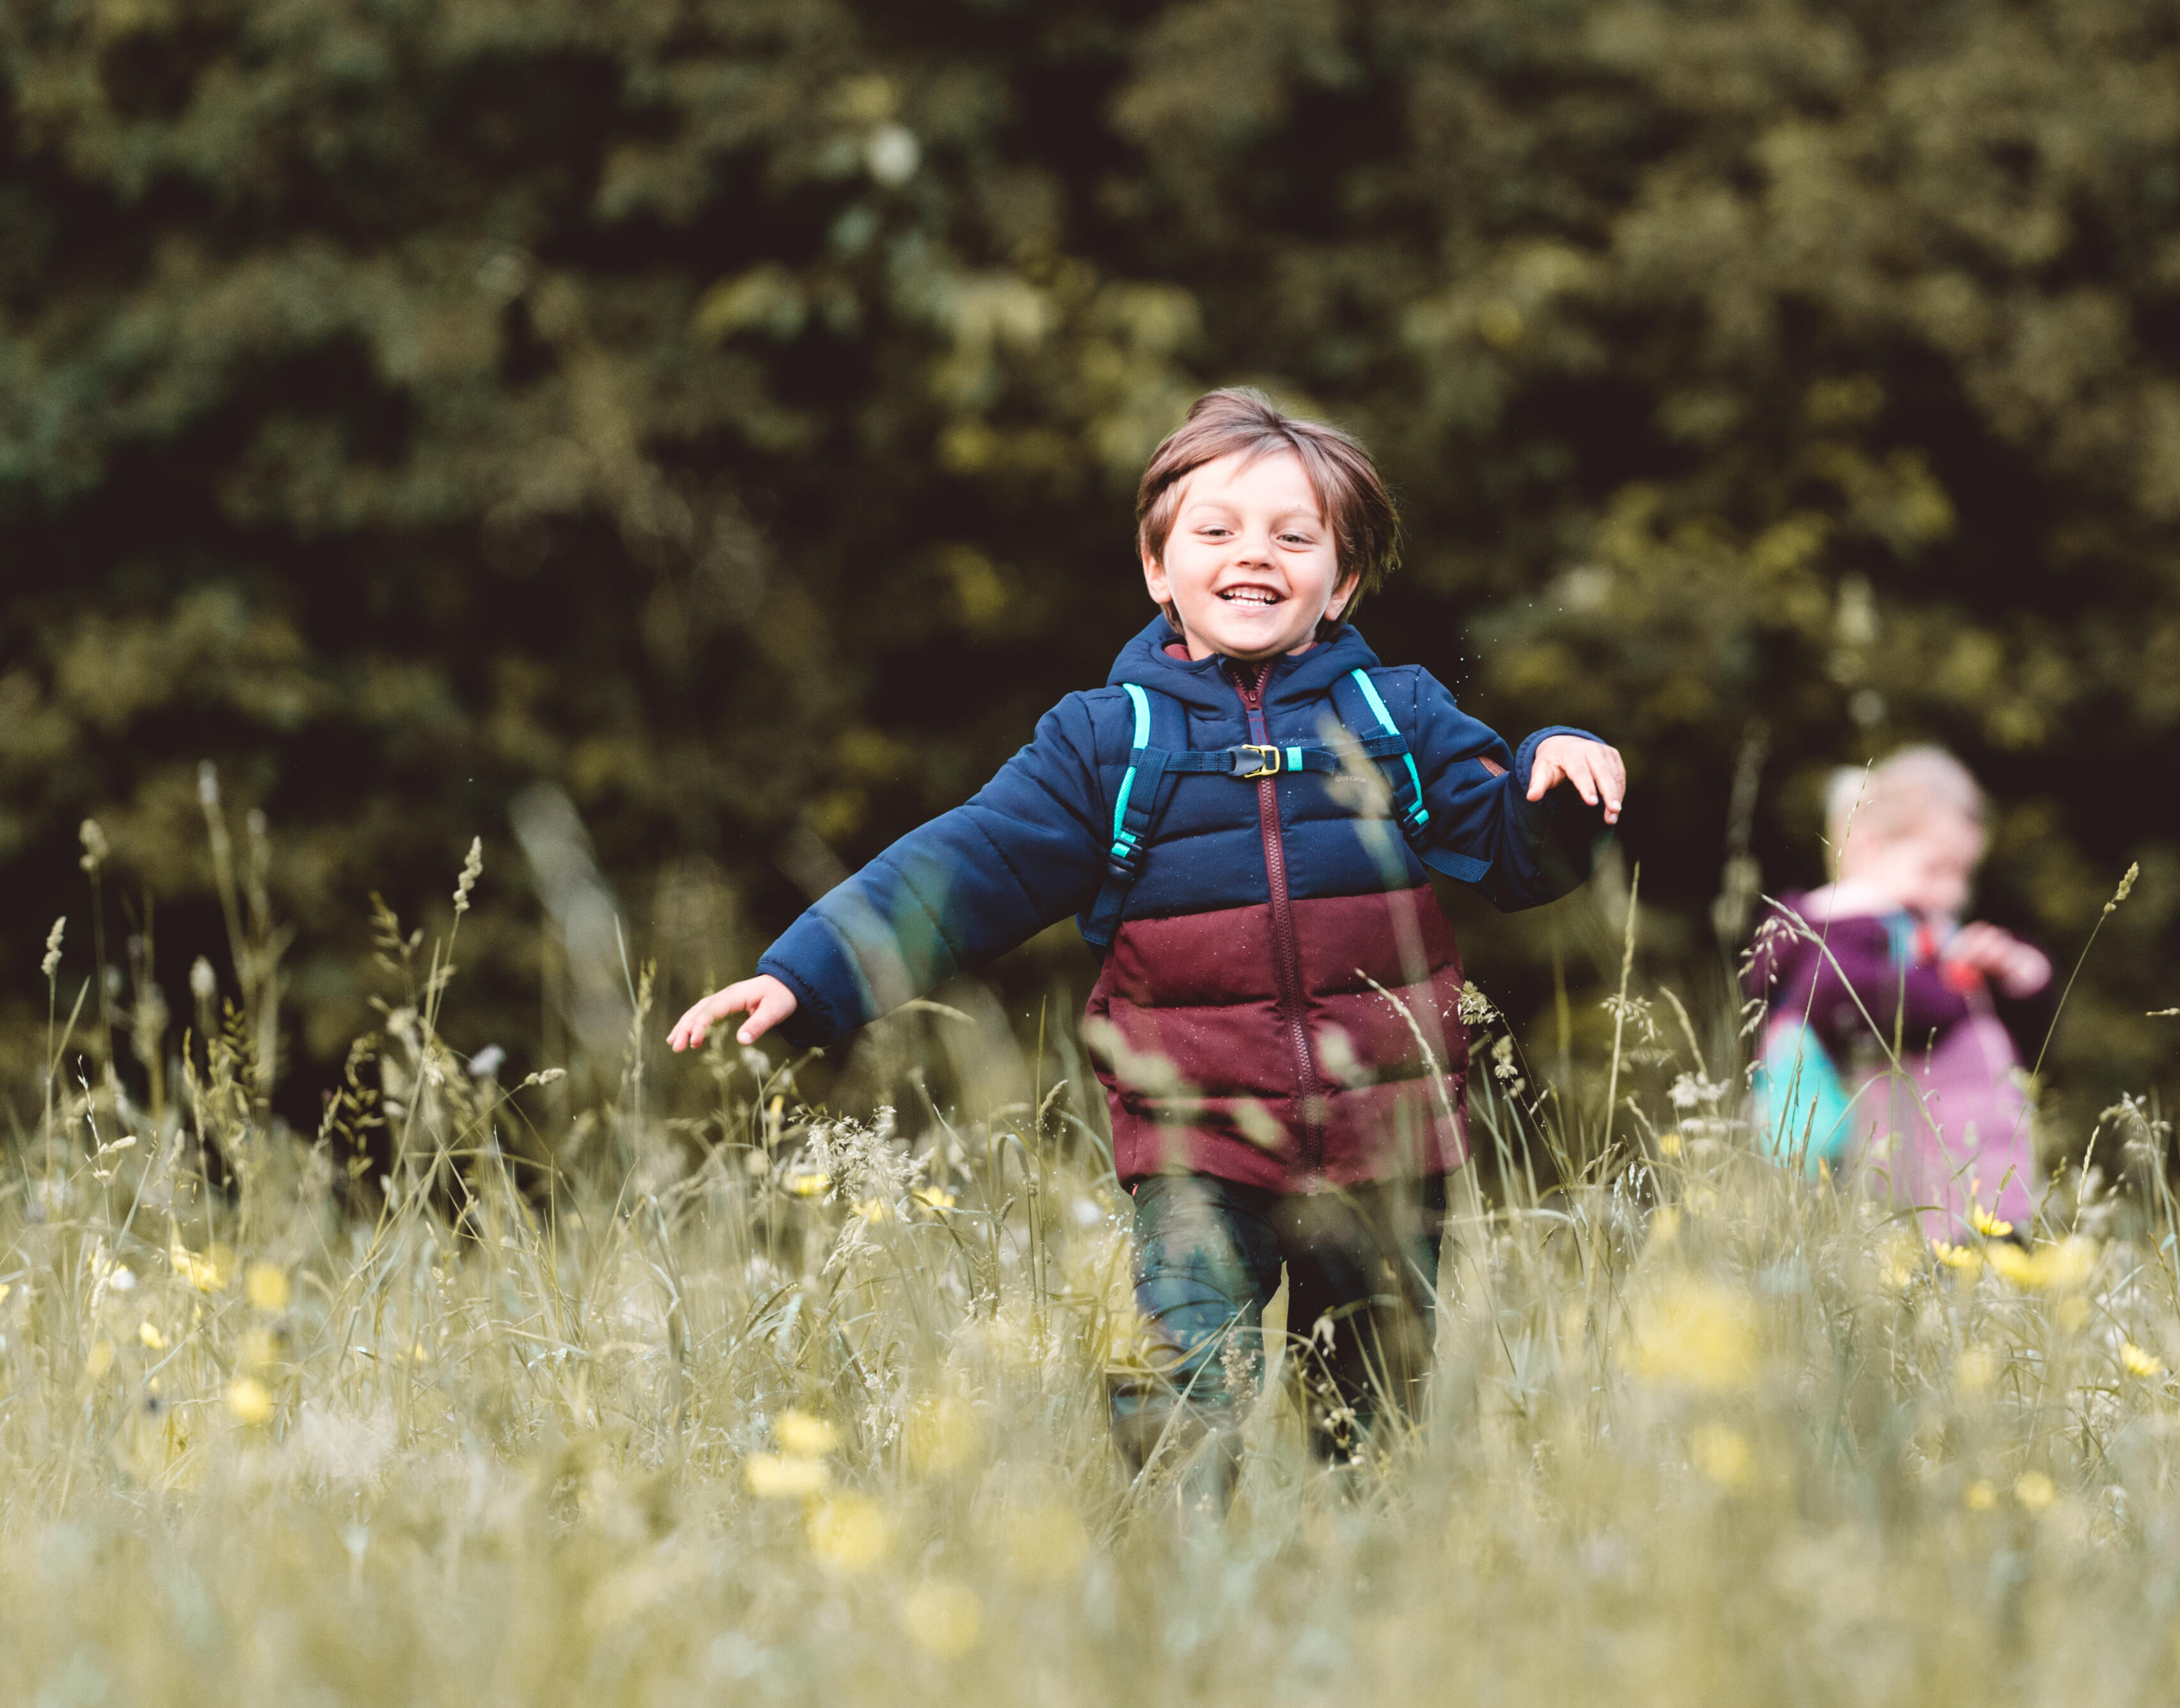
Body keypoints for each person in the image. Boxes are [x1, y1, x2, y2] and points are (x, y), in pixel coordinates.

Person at [672, 388, 1625, 1469]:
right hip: (1195, 1145)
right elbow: (966, 864)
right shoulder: (1105, 741)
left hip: (1386, 1148)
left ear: (1341, 581)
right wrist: (807, 972)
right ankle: (1181, 1561)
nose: (1253, 555)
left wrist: (1559, 773)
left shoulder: (1396, 717)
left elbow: (1511, 851)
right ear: (1157, 569)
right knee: (1193, 1386)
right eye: (1216, 531)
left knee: (1368, 1426)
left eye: (1292, 536)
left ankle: (1352, 1589)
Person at [1744, 746, 2052, 1239]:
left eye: (1963, 874)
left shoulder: (1921, 932)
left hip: (1982, 1180)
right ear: (1869, 850)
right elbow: (1851, 996)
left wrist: (2021, 978)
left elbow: (2027, 1041)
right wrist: (1952, 981)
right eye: (1935, 870)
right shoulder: (1848, 933)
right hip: (1924, 1201)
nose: (1952, 893)